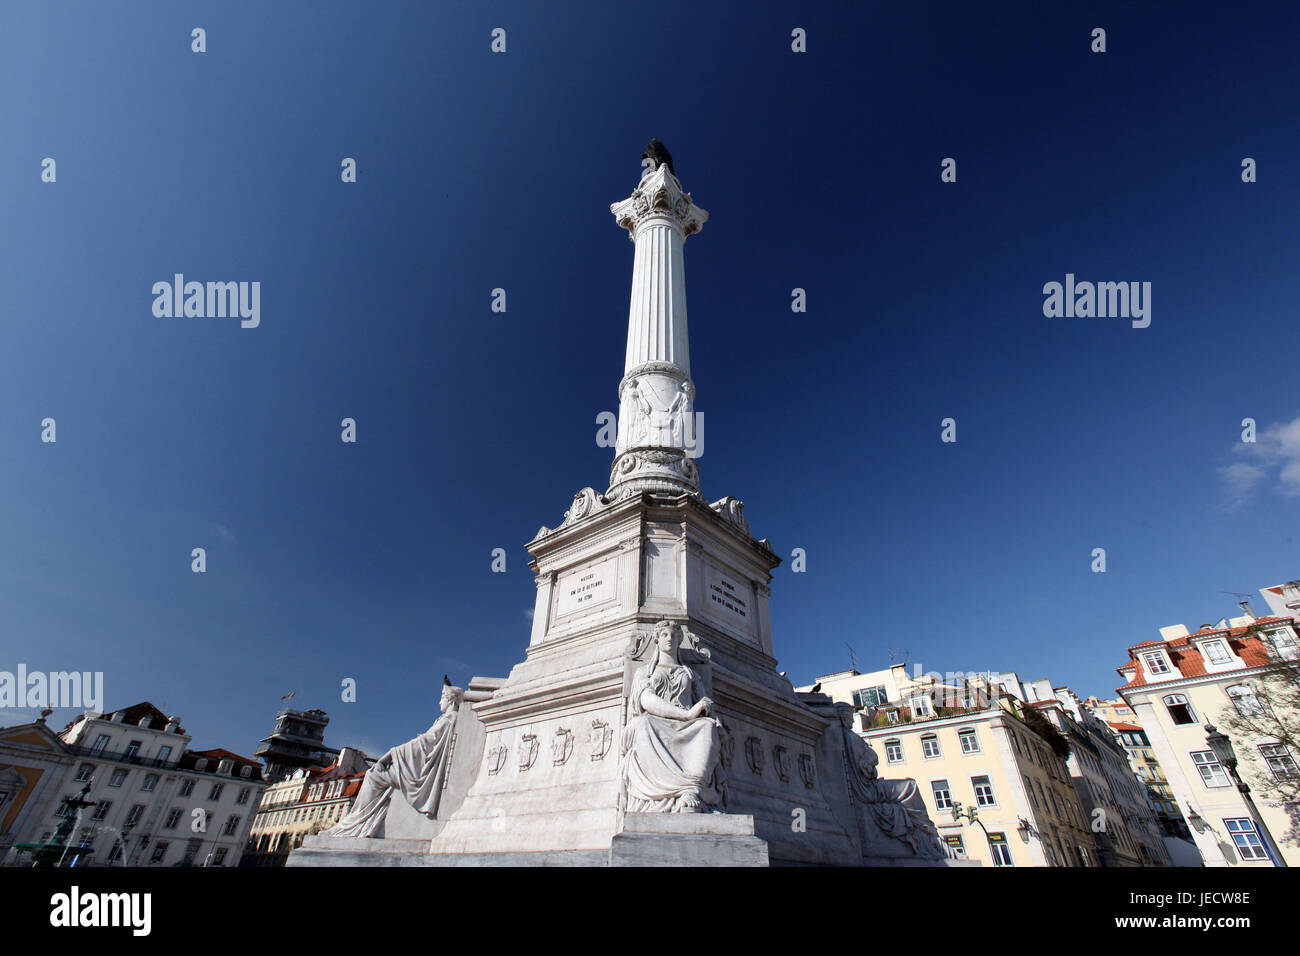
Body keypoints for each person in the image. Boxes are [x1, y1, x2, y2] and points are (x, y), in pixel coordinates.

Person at [327, 680, 462, 838]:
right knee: (373, 774)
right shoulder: (445, 719)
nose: (440, 701)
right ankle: (359, 823)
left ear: (450, 699)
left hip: (421, 769)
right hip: (417, 764)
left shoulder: (447, 720)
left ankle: (351, 825)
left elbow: (424, 743)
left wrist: (392, 753)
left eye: (442, 697)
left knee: (373, 777)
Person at [620, 621, 726, 812]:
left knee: (708, 726)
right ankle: (661, 790)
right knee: (643, 724)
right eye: (665, 635)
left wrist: (704, 709)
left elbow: (703, 701)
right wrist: (686, 714)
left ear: (679, 640)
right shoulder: (646, 672)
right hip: (660, 719)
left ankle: (691, 789)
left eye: (674, 636)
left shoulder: (690, 673)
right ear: (657, 640)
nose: (669, 639)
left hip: (689, 724)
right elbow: (646, 699)